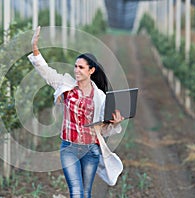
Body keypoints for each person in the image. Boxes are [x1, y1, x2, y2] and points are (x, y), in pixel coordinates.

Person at [28, 26, 124, 198]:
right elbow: (46, 72)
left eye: (81, 67)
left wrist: (115, 123)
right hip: (69, 148)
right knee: (77, 192)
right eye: (75, 66)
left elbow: (102, 129)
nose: (76, 70)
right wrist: (35, 48)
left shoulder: (101, 97)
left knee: (85, 193)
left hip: (91, 150)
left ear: (91, 71)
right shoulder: (66, 85)